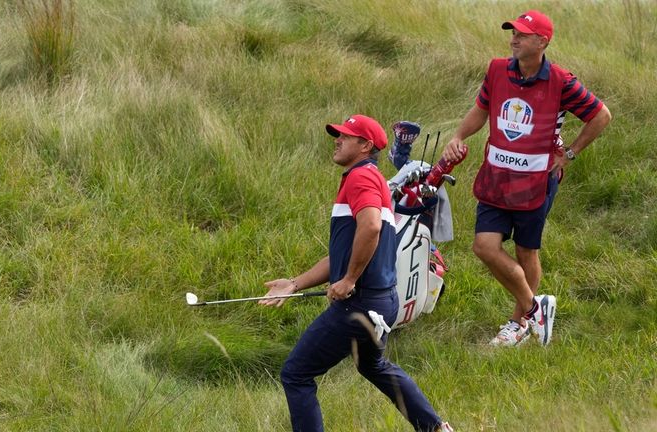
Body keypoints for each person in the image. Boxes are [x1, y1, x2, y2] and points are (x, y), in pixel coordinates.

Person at [259, 114, 454, 432]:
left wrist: (349, 279)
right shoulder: (371, 178)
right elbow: (346, 251)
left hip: (360, 303)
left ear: (365, 145)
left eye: (346, 136)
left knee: (296, 372)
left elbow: (371, 227)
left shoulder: (361, 178)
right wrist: (294, 284)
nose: (337, 140)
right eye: (338, 135)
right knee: (373, 365)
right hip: (382, 301)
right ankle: (435, 428)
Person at [441, 10, 612, 347]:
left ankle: (518, 322)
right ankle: (537, 308)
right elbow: (482, 107)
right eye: (513, 32)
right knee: (484, 247)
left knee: (525, 251)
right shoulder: (497, 70)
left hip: (536, 181)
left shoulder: (561, 81)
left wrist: (570, 153)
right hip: (496, 177)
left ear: (542, 41)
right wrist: (458, 135)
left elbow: (601, 115)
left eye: (521, 34)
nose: (513, 39)